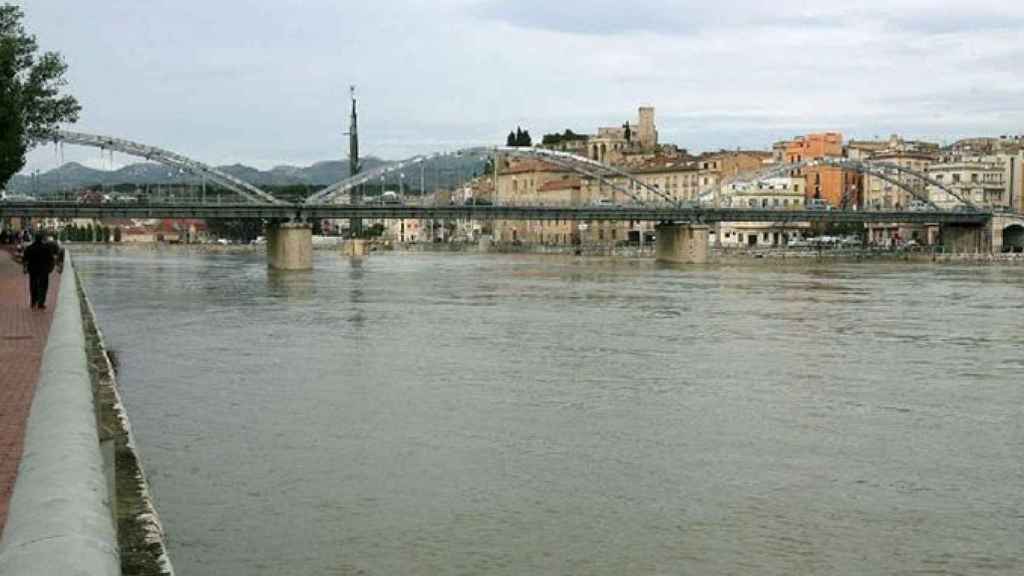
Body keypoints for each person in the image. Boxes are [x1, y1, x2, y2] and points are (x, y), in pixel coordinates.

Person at [22, 232, 60, 309]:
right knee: (43, 286)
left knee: (33, 285)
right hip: (44, 270)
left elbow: (25, 259)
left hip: (32, 270)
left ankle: (33, 302)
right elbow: (51, 259)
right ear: (42, 239)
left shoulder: (29, 248)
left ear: (35, 238)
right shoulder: (46, 248)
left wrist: (25, 268)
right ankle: (41, 303)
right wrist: (51, 268)